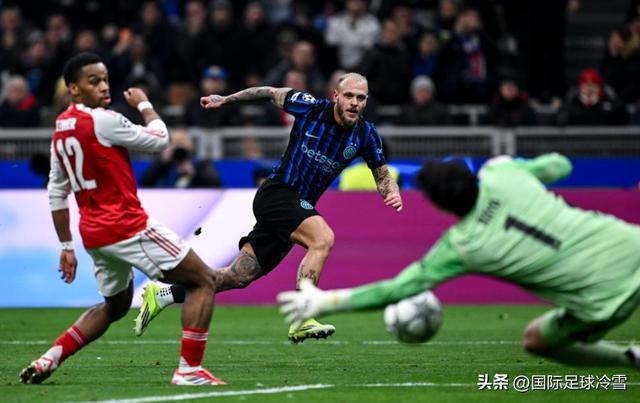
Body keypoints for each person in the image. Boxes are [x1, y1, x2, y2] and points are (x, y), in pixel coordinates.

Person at [278, 153, 640, 369]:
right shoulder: (503, 175)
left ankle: (629, 359)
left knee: (537, 341)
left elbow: (397, 289)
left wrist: (326, 301)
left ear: (441, 207)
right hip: (631, 246)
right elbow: (560, 165)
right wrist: (512, 163)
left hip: (602, 301)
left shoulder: (462, 245)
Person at [136, 72, 403, 343]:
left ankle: (162, 295)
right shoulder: (309, 107)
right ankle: (302, 317)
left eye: (361, 98)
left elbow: (382, 176)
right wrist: (226, 99)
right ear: (336, 96)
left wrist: (391, 192)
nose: (355, 102)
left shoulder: (366, 134)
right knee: (322, 239)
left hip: (295, 209)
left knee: (238, 276)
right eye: (349, 96)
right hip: (277, 193)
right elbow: (268, 92)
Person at [19, 53, 225, 386]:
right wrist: (145, 104)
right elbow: (159, 140)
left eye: (104, 79)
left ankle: (50, 357)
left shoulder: (60, 130)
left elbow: (56, 191)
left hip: (94, 235)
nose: (103, 86)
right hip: (128, 226)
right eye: (93, 81)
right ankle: (189, 370)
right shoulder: (103, 120)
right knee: (203, 281)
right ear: (73, 88)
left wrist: (67, 246)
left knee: (114, 307)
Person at [140, 128, 221, 189]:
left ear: (191, 145)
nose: (179, 146)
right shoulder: (163, 164)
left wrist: (194, 173)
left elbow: (215, 183)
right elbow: (144, 182)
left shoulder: (200, 164)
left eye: (182, 142)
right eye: (175, 142)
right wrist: (161, 163)